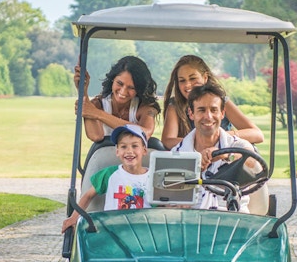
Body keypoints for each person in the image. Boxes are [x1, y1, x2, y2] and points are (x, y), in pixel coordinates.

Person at [172, 83, 259, 212]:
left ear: (222, 113)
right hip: (194, 220)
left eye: (214, 110)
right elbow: (170, 196)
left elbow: (252, 162)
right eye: (201, 110)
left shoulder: (238, 145)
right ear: (191, 113)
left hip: (234, 218)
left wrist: (225, 155)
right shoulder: (177, 154)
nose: (208, 116)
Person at [161, 55, 264, 150]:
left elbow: (257, 134)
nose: (187, 85)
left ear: (205, 77)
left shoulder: (220, 101)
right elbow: (168, 140)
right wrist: (201, 142)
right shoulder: (175, 107)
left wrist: (219, 138)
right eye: (182, 81)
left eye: (193, 78)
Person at [62, 124, 150, 233]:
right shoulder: (110, 174)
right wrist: (74, 217)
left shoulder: (152, 177)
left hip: (143, 230)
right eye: (123, 147)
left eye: (134, 146)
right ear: (117, 151)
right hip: (113, 230)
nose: (129, 151)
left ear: (144, 150)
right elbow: (88, 195)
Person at [74, 56, 160, 143]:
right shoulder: (97, 104)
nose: (123, 91)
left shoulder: (145, 108)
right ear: (112, 79)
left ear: (139, 89)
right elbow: (96, 136)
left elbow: (145, 133)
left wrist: (96, 113)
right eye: (119, 83)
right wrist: (83, 91)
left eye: (131, 88)